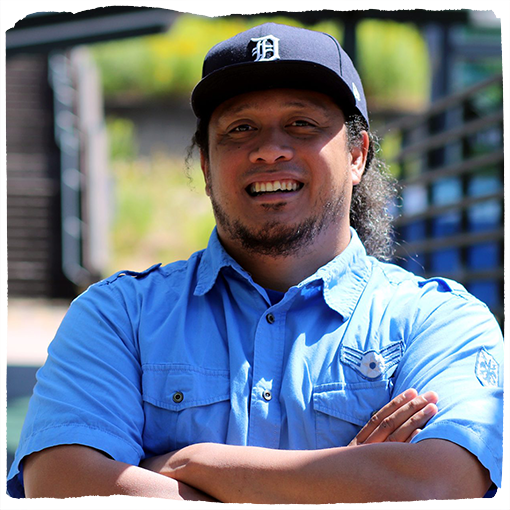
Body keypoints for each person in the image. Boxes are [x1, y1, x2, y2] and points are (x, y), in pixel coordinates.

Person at [7, 22, 503, 503]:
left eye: (301, 124)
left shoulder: (440, 323)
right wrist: (344, 482)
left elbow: (438, 486)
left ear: (357, 155)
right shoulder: (117, 317)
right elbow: (63, 485)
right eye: (241, 128)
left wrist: (191, 464)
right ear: (206, 166)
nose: (269, 150)